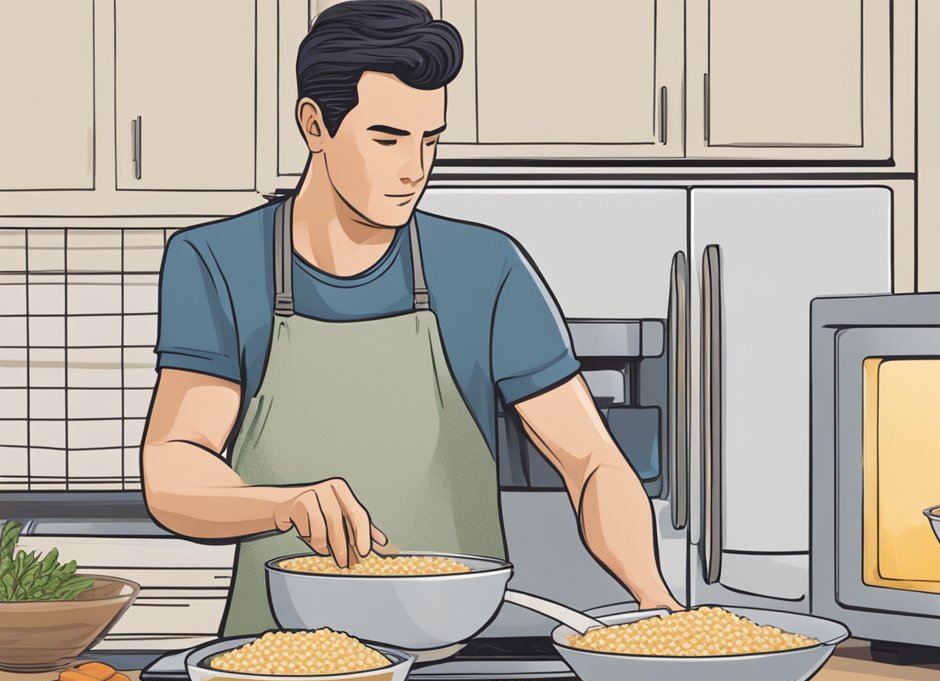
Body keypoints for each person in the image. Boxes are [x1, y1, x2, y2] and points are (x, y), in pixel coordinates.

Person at [141, 0, 683, 636]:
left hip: (456, 657)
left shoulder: (485, 267)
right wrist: (284, 505)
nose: (414, 168)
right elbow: (175, 465)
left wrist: (655, 601)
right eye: (387, 138)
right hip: (282, 661)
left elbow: (591, 461)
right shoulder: (215, 262)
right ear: (315, 125)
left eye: (430, 139)